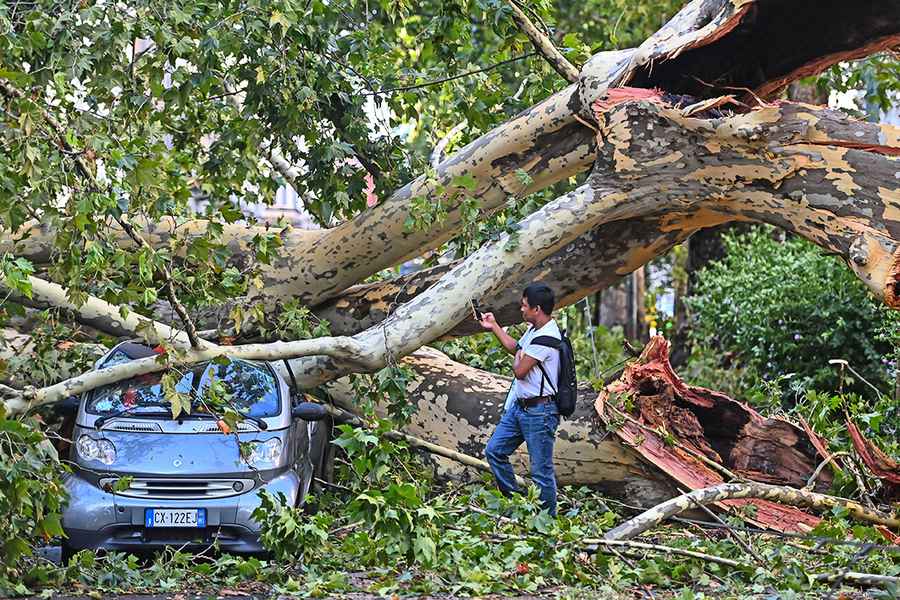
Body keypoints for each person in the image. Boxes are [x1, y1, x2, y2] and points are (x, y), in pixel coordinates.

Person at [479, 282, 561, 516]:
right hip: (520, 407)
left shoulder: (547, 337)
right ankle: (516, 505)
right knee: (494, 451)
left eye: (524, 306)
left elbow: (519, 371)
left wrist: (520, 357)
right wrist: (493, 326)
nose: (521, 309)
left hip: (540, 411)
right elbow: (517, 348)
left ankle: (547, 522)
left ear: (536, 309)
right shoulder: (534, 330)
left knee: (541, 471)